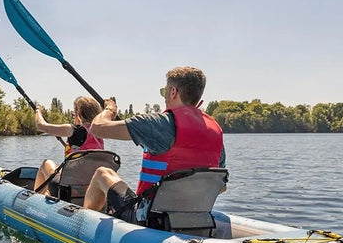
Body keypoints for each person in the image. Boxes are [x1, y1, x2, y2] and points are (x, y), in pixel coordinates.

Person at [82, 66, 225, 223]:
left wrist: (109, 110)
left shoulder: (157, 123)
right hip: (197, 216)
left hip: (151, 218)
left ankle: (84, 225)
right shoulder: (215, 130)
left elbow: (97, 128)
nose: (164, 97)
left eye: (164, 92)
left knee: (103, 174)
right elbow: (221, 187)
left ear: (173, 92)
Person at [33, 96, 104, 193]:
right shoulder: (100, 132)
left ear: (78, 114)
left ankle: (35, 197)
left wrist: (38, 112)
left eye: (74, 114)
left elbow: (40, 126)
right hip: (91, 189)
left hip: (68, 189)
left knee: (46, 163)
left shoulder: (73, 129)